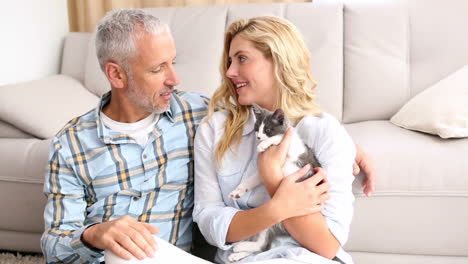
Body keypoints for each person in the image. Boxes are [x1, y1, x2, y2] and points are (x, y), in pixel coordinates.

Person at [41, 9, 374, 264]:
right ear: (116, 74)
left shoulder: (194, 113)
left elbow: (280, 117)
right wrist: (95, 234)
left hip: (180, 256)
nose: (175, 78)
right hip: (124, 258)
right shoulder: (71, 145)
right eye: (158, 69)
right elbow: (55, 245)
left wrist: (346, 147)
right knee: (123, 253)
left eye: (173, 62)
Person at [193, 16, 358, 264]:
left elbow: (326, 245)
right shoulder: (214, 131)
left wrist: (272, 178)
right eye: (229, 61)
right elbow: (209, 221)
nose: (229, 72)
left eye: (242, 58)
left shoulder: (325, 132)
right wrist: (276, 209)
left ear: (278, 60)